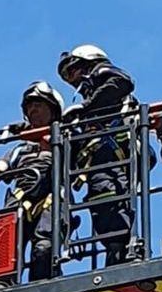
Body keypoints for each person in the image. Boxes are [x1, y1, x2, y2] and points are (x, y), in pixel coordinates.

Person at [0, 81, 64, 281]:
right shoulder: (19, 150)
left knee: (44, 249)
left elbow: (54, 145)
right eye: (29, 107)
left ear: (53, 111)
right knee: (6, 250)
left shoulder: (63, 140)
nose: (33, 110)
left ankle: (40, 287)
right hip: (19, 202)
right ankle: (3, 287)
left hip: (50, 202)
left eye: (38, 105)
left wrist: (32, 133)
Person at [57, 44, 137, 266]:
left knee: (109, 199)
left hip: (111, 155)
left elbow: (123, 81)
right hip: (102, 159)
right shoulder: (92, 94)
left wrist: (86, 107)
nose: (71, 80)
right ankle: (115, 249)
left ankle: (120, 250)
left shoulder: (102, 74)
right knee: (102, 202)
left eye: (71, 71)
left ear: (87, 61)